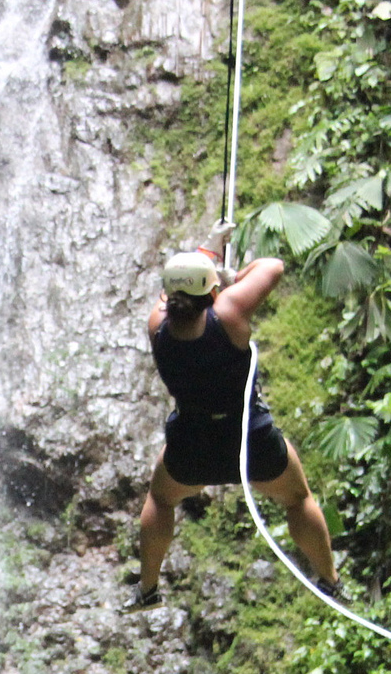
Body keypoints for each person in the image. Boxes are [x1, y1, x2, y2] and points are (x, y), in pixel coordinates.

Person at [129, 238, 340, 609]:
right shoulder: (228, 313)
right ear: (212, 293)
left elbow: (172, 297)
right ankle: (330, 581)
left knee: (161, 498)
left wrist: (206, 257)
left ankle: (147, 589)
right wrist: (231, 276)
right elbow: (272, 266)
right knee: (297, 498)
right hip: (249, 437)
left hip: (192, 443)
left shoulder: (156, 326)